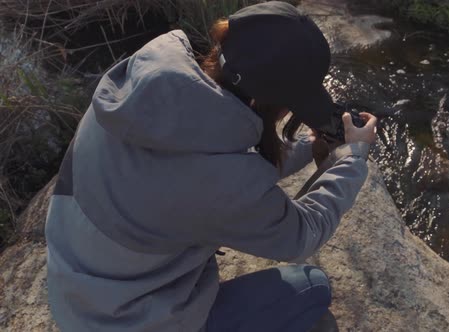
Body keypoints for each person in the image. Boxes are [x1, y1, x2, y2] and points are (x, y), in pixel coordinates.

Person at [45, 2, 377, 331]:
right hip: (128, 322)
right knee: (312, 287)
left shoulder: (135, 92)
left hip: (75, 294)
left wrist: (308, 146)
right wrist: (352, 157)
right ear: (270, 103)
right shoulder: (223, 179)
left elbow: (210, 181)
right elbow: (302, 235)